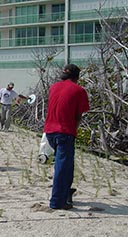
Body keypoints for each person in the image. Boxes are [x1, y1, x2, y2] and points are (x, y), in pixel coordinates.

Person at [44, 64, 89, 210]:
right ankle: (57, 202)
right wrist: (73, 131)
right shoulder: (79, 90)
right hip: (64, 131)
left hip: (49, 131)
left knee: (65, 165)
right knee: (63, 167)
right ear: (77, 77)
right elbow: (78, 116)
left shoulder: (54, 87)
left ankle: (66, 193)